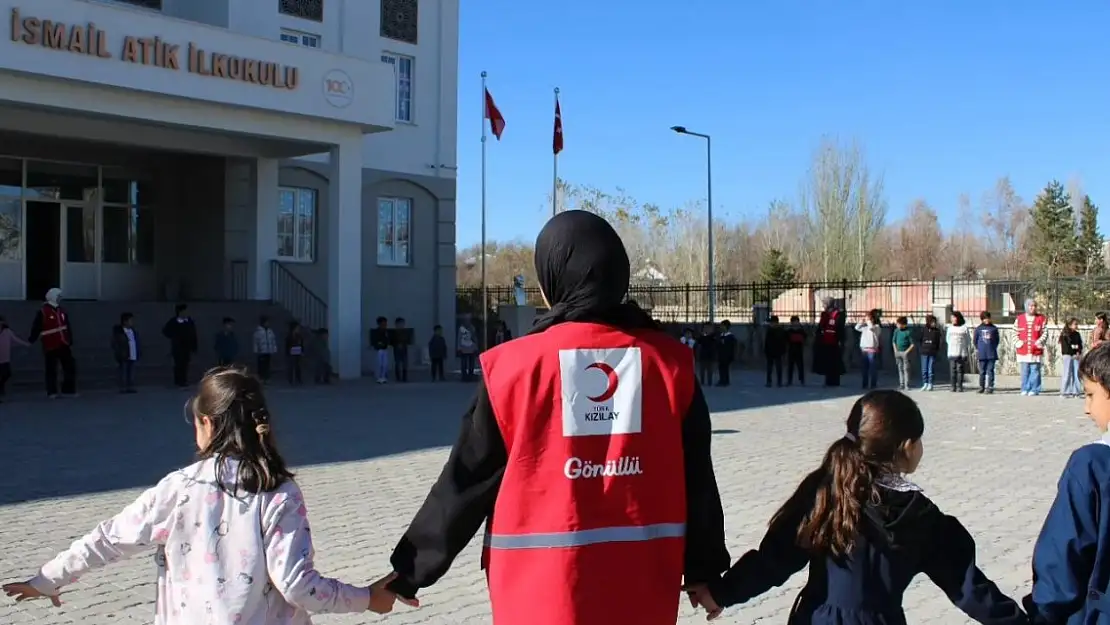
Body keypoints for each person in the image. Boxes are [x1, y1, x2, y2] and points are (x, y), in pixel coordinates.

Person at [381, 210, 730, 625]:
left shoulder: (513, 368)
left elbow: (467, 479)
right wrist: (706, 570)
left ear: (552, 282)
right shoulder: (670, 364)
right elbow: (698, 478)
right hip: (642, 582)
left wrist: (409, 572)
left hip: (539, 589)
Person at [0, 366, 405, 622]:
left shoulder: (180, 488)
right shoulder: (278, 491)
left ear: (207, 424)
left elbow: (108, 538)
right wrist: (365, 598)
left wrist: (48, 579)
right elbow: (298, 586)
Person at [685, 390, 1027, 624]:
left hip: (817, 617)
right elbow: (967, 587)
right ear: (907, 447)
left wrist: (720, 592)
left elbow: (774, 561)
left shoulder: (825, 492)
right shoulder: (918, 514)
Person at [1024, 342, 1110, 623]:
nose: (1087, 409)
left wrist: (1044, 613)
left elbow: (1063, 555)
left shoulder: (1092, 465)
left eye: (1090, 395)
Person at [28, 287, 77, 398]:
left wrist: (70, 339)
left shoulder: (62, 311)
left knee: (70, 366)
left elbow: (67, 325)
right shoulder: (43, 312)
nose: (60, 299)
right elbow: (36, 327)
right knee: (51, 369)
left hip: (63, 342)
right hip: (50, 343)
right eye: (58, 296)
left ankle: (68, 390)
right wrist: (32, 339)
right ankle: (52, 391)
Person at [1016, 298, 1048, 396]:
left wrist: (1039, 341)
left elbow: (1045, 332)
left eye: (1034, 306)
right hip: (1023, 349)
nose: (1032, 308)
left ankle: (1035, 389)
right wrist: (1018, 342)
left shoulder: (1041, 319)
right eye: (1030, 306)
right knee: (1025, 370)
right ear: (1026, 307)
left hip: (1036, 350)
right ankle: (1025, 388)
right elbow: (1015, 332)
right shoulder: (1019, 318)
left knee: (1035, 370)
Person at [162, 303, 198, 388]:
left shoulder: (189, 321)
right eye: (184, 311)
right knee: (178, 364)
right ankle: (178, 380)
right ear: (179, 312)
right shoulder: (173, 321)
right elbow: (165, 331)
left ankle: (184, 380)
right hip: (177, 347)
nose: (186, 313)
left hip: (187, 346)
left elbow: (193, 334)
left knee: (185, 364)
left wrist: (194, 346)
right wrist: (174, 337)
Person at [813, 297, 846, 386]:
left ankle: (835, 381)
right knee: (827, 362)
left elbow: (840, 328)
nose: (823, 306)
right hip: (825, 342)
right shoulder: (824, 314)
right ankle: (828, 380)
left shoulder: (838, 314)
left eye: (824, 303)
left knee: (835, 363)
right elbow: (820, 327)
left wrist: (841, 340)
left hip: (835, 342)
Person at [111, 312, 140, 394]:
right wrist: (119, 352)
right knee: (123, 371)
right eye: (130, 320)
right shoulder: (119, 332)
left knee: (131, 372)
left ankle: (130, 386)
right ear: (125, 321)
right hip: (124, 355)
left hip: (132, 353)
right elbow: (115, 343)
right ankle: (123, 387)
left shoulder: (133, 331)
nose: (132, 322)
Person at [0, 315, 28, 400]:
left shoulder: (7, 332)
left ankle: (1, 386)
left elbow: (15, 340)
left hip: (5, 358)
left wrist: (26, 344)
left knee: (7, 374)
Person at [855, 309, 882, 390]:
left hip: (872, 350)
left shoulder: (876, 327)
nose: (866, 320)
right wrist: (861, 322)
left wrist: (869, 321)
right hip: (864, 350)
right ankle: (865, 384)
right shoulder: (865, 327)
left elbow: (871, 328)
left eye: (868, 318)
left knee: (873, 369)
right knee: (864, 369)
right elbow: (857, 328)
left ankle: (873, 384)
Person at [974, 311, 1000, 394]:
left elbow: (997, 340)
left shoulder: (994, 328)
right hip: (982, 354)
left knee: (990, 370)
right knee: (982, 371)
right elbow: (975, 340)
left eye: (987, 318)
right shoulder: (978, 329)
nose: (986, 320)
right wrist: (979, 348)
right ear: (982, 319)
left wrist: (993, 347)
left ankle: (990, 387)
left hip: (991, 353)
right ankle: (981, 386)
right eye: (984, 318)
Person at [947, 311, 971, 393]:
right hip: (952, 353)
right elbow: (947, 340)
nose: (953, 319)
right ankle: (953, 386)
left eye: (954, 317)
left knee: (960, 370)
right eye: (952, 317)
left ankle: (959, 386)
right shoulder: (950, 328)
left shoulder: (964, 328)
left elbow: (968, 340)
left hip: (961, 353)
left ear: (958, 318)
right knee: (952, 370)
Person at [1059, 317, 1083, 398]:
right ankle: (1065, 392)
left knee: (1076, 373)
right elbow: (1066, 347)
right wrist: (1073, 352)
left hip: (1076, 356)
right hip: (1068, 356)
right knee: (1067, 373)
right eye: (1075, 324)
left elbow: (1080, 345)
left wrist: (1078, 353)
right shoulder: (1064, 335)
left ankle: (1076, 392)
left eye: (1077, 324)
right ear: (1069, 325)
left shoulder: (1077, 334)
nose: (1076, 326)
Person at [919, 314, 942, 391]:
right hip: (924, 352)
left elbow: (938, 342)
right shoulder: (923, 330)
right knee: (924, 369)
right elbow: (920, 339)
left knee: (930, 369)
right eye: (932, 322)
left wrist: (937, 350)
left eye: (935, 322)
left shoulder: (937, 331)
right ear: (928, 322)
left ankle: (930, 384)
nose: (934, 324)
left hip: (932, 352)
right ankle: (925, 383)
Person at [253, 315, 278, 383]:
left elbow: (273, 341)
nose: (268, 324)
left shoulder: (270, 331)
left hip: (268, 350)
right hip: (261, 351)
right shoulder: (258, 331)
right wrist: (256, 350)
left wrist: (274, 349)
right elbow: (255, 342)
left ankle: (267, 378)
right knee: (261, 366)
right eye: (267, 322)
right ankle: (261, 378)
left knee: (267, 365)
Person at [891, 316, 914, 391]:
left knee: (906, 369)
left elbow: (912, 344)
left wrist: (906, 352)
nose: (897, 325)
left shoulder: (908, 332)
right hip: (898, 352)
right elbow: (894, 341)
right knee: (900, 369)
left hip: (905, 352)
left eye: (899, 324)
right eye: (897, 324)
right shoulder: (896, 331)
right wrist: (895, 350)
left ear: (903, 324)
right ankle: (901, 384)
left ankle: (907, 384)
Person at [764, 315, 787, 388]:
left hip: (778, 352)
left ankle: (779, 381)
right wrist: (766, 350)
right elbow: (766, 342)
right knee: (769, 368)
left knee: (778, 367)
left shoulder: (780, 331)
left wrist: (783, 351)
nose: (772, 324)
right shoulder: (769, 330)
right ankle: (769, 381)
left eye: (773, 322)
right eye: (771, 323)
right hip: (770, 352)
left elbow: (783, 342)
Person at [785, 315, 806, 386]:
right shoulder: (789, 330)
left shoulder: (801, 330)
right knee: (790, 366)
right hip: (791, 350)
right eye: (794, 322)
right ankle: (789, 380)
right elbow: (786, 339)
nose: (795, 323)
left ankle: (802, 379)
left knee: (800, 366)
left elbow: (805, 337)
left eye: (796, 322)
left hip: (799, 350)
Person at [695, 322, 718, 386]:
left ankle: (709, 382)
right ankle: (702, 381)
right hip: (703, 355)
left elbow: (715, 344)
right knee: (702, 370)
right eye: (705, 327)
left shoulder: (713, 336)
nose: (707, 329)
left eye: (709, 328)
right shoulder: (702, 336)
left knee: (710, 370)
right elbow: (699, 343)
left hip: (710, 356)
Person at [370, 316, 390, 384]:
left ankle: (383, 376)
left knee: (385, 364)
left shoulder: (386, 332)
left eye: (385, 323)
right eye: (383, 323)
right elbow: (374, 341)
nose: (384, 325)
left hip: (385, 349)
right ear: (379, 324)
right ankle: (378, 377)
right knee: (379, 364)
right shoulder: (375, 332)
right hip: (378, 350)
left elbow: (388, 340)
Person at [717, 320, 737, 386]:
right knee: (721, 367)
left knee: (725, 368)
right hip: (721, 354)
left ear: (726, 327)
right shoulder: (720, 335)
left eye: (722, 326)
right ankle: (721, 380)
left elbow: (732, 347)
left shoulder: (731, 337)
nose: (721, 327)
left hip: (727, 355)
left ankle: (725, 381)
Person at [285, 321, 305, 385]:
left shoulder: (299, 336)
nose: (298, 329)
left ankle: (298, 378)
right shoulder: (289, 336)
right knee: (291, 366)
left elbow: (302, 344)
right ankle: (290, 379)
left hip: (298, 351)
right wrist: (287, 352)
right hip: (291, 352)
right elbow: (287, 345)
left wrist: (302, 351)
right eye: (297, 328)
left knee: (298, 366)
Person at [392, 317, 409, 382]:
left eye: (402, 323)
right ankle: (398, 377)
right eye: (400, 323)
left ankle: (404, 377)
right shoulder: (394, 332)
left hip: (404, 349)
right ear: (396, 324)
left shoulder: (405, 332)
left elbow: (408, 340)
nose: (401, 325)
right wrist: (397, 344)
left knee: (405, 363)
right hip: (397, 349)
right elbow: (392, 341)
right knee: (398, 363)